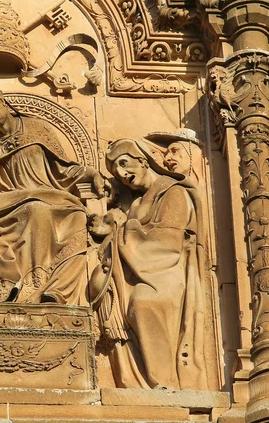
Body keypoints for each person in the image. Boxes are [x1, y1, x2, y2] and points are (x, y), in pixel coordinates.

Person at [0, 70, 107, 305]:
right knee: (36, 209)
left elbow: (64, 169)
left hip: (56, 199)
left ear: (2, 99)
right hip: (19, 206)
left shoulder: (37, 129)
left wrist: (93, 173)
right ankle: (33, 282)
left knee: (78, 218)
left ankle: (57, 291)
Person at [103, 138, 207, 391]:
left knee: (143, 303)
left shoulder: (174, 191)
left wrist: (123, 231)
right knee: (116, 301)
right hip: (142, 269)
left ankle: (163, 382)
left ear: (143, 160)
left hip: (166, 270)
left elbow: (168, 241)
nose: (123, 174)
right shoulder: (137, 204)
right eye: (117, 171)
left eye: (125, 164)